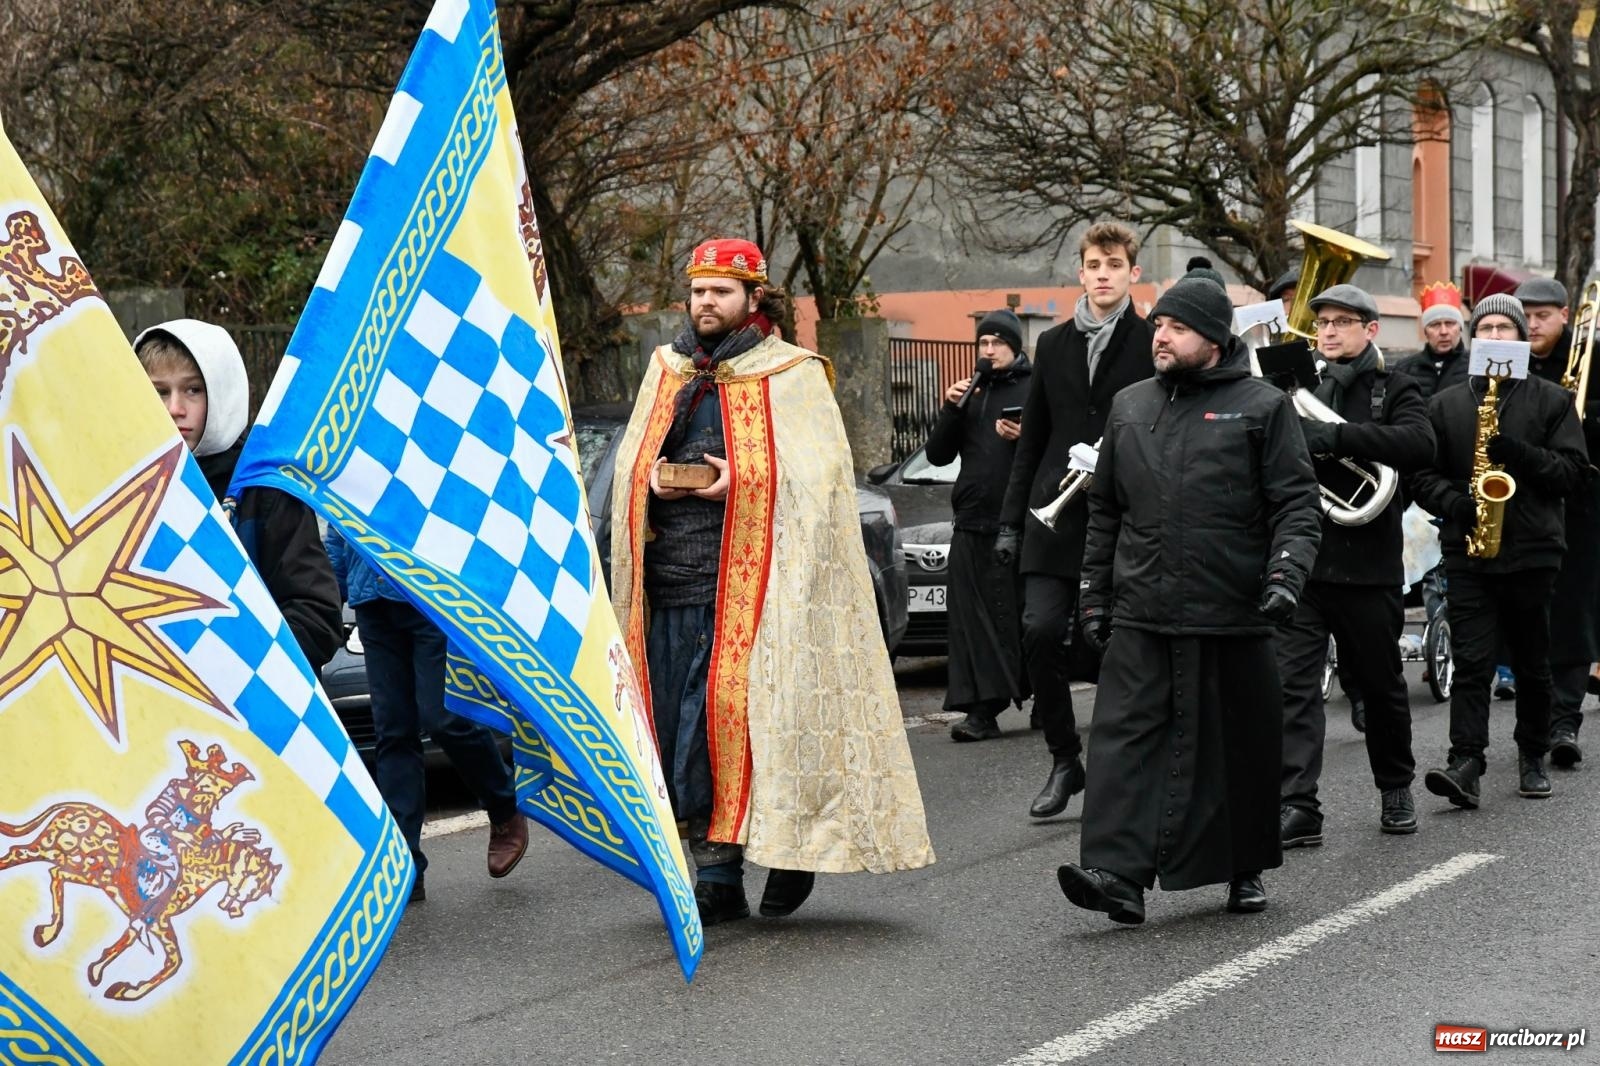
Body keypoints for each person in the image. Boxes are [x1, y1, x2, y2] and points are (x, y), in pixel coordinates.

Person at [609, 237, 933, 926]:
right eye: (698, 290)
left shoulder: (792, 374)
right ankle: (718, 876)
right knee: (680, 739)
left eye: (720, 291)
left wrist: (742, 481)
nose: (705, 302)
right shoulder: (666, 371)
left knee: (761, 732)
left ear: (755, 299)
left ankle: (793, 853)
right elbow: (630, 470)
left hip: (761, 601)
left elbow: (821, 484)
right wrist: (651, 484)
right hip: (670, 591)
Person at [1056, 276, 1322, 924]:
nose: (1161, 336)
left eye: (1175, 327)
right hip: (1143, 610)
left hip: (1231, 610)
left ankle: (1243, 869)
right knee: (1123, 743)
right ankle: (1118, 876)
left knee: (1235, 747)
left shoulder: (1262, 406)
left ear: (1212, 336)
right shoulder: (1129, 406)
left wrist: (1285, 577)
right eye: (1158, 327)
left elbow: (1296, 504)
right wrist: (1093, 593)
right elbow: (1107, 511)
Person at [995, 222, 1155, 820]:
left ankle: (1120, 765)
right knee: (1038, 630)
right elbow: (1033, 438)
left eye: (1115, 264)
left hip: (1123, 514)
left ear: (1133, 273)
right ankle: (1065, 759)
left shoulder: (1151, 341)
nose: (1104, 273)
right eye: (1094, 264)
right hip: (1053, 515)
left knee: (1117, 645)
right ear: (1081, 273)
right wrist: (1011, 522)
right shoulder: (1055, 344)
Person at [1410, 294, 1589, 808]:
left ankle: (1532, 755)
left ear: (1519, 339)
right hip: (1468, 549)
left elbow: (1573, 475)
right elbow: (1422, 473)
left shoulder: (1552, 400)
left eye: (1504, 328)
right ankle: (1466, 760)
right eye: (1484, 327)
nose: (1494, 335)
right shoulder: (1444, 404)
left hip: (1533, 548)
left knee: (1533, 661)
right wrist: (1456, 503)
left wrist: (1521, 455)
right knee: (1471, 661)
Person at [1274, 284, 1435, 848]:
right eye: (1323, 322)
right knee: (1294, 688)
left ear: (1370, 329)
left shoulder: (1395, 385)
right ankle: (1298, 805)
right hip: (1307, 564)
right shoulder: (1298, 386)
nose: (1330, 330)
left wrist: (1333, 437)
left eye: (1343, 321)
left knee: (1380, 685)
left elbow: (1420, 444)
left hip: (1368, 569)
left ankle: (1395, 788)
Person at [323, 531, 528, 903]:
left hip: (426, 592)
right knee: (393, 731)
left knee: (443, 718)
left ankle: (504, 806)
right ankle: (406, 866)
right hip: (370, 602)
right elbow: (337, 522)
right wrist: (329, 591)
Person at [135, 320, 342, 670]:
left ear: (221, 392)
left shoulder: (265, 489)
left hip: (259, 711)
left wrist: (235, 671)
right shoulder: (133, 486)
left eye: (193, 390)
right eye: (159, 392)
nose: (174, 409)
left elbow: (316, 616)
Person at [926, 309, 1032, 741]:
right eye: (983, 344)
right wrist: (951, 410)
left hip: (1020, 521)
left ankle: (1046, 693)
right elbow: (936, 456)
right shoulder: (968, 392)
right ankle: (980, 711)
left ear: (1015, 346)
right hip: (971, 521)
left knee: (1025, 617)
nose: (989, 351)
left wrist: (1025, 437)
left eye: (998, 343)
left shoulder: (1035, 386)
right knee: (971, 622)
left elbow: (1057, 450)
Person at [1517, 276, 1600, 768]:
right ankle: (1539, 712)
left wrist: (1581, 416)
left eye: (1542, 315)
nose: (1532, 324)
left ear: (1565, 315)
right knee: (1532, 612)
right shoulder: (1508, 358)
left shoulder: (1593, 356)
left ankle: (1565, 718)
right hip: (1526, 502)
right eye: (1525, 315)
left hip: (1583, 502)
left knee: (1573, 607)